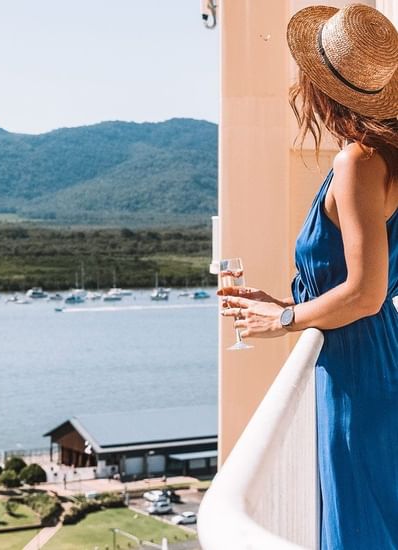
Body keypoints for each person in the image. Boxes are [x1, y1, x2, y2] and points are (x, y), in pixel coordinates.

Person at [220, 4, 398, 549]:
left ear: (323, 87)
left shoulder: (358, 161)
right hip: (372, 360)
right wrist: (284, 305)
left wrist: (287, 317)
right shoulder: (387, 157)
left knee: (359, 524)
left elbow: (365, 293)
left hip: (354, 372)